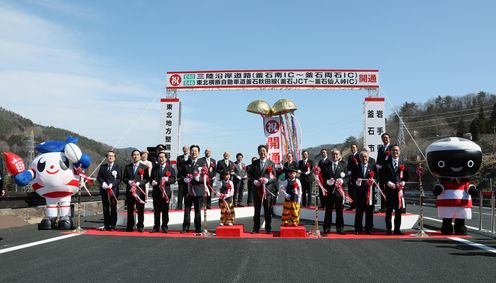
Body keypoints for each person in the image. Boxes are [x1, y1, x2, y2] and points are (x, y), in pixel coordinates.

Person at [250, 145, 277, 234]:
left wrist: (268, 180)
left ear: (266, 152)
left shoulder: (271, 163)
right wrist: (254, 181)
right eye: (261, 151)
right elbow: (251, 175)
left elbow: (274, 177)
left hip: (267, 190)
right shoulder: (254, 163)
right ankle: (255, 228)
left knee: (267, 210)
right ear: (258, 152)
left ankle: (268, 228)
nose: (262, 152)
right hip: (257, 189)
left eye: (264, 151)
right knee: (256, 210)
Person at [382, 145, 409, 235]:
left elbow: (406, 177)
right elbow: (382, 176)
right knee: (389, 210)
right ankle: (389, 229)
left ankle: (397, 229)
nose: (395, 152)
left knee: (398, 211)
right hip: (390, 190)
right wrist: (388, 182)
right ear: (391, 152)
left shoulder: (403, 163)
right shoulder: (386, 162)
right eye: (393, 150)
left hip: (399, 191)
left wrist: (403, 182)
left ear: (399, 152)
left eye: (397, 150)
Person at [123, 150, 150, 232]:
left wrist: (140, 182)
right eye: (134, 155)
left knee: (140, 210)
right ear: (132, 156)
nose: (136, 156)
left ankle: (140, 226)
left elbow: (147, 179)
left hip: (140, 191)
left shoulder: (144, 167)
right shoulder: (127, 167)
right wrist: (129, 182)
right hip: (130, 191)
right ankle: (130, 226)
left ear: (140, 156)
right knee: (130, 209)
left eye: (137, 155)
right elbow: (124, 178)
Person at [322, 149, 348, 235]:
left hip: (339, 192)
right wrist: (327, 182)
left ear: (340, 155)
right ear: (330, 156)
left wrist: (342, 180)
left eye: (337, 154)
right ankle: (326, 228)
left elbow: (347, 178)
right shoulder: (326, 165)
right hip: (329, 192)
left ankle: (340, 228)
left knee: (339, 211)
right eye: (333, 154)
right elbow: (322, 177)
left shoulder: (343, 165)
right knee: (328, 211)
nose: (335, 156)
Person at [352, 150, 377, 234]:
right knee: (359, 212)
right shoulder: (356, 167)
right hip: (359, 193)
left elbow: (377, 178)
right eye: (362, 157)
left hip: (369, 193)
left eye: (365, 156)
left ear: (368, 157)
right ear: (359, 158)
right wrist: (356, 182)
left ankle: (369, 228)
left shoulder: (373, 167)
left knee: (369, 212)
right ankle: (358, 229)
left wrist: (373, 181)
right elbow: (352, 179)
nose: (364, 158)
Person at [150, 151, 176, 233]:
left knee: (165, 211)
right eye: (159, 157)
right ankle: (156, 227)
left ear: (166, 158)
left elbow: (173, 179)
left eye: (162, 157)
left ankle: (165, 226)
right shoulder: (154, 168)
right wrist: (152, 182)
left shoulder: (170, 168)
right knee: (156, 211)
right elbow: (151, 178)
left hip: (166, 193)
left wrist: (167, 179)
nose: (161, 159)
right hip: (156, 192)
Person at [182, 145, 205, 234]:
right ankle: (185, 227)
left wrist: (199, 179)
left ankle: (198, 227)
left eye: (195, 151)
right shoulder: (185, 163)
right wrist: (185, 179)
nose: (193, 152)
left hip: (198, 190)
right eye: (192, 151)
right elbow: (181, 175)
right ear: (189, 152)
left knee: (198, 210)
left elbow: (207, 177)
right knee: (187, 210)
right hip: (188, 190)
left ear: (198, 153)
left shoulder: (202, 163)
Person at [97, 150, 121, 231]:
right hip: (104, 190)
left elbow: (119, 179)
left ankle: (113, 225)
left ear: (114, 158)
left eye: (112, 156)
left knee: (113, 208)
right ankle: (106, 225)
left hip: (113, 190)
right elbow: (99, 177)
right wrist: (103, 183)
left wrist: (112, 184)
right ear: (106, 157)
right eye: (109, 156)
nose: (110, 157)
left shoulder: (118, 167)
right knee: (105, 208)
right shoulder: (102, 167)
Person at [376, 133, 393, 212]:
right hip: (382, 173)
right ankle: (383, 207)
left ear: (389, 138)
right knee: (382, 190)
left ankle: (390, 207)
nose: (385, 139)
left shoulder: (392, 148)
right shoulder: (380, 149)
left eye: (386, 138)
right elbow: (378, 160)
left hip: (390, 173)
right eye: (383, 138)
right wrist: (378, 166)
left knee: (390, 191)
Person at [176, 145, 190, 210]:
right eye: (184, 149)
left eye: (187, 149)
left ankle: (187, 207)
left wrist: (188, 175)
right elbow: (179, 167)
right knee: (180, 193)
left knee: (188, 193)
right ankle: (179, 207)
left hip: (189, 178)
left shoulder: (190, 158)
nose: (185, 150)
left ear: (189, 150)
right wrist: (184, 176)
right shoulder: (179, 158)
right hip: (181, 177)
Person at [346, 144, 360, 210]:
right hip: (350, 177)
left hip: (357, 176)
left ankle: (356, 206)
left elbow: (359, 166)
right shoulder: (350, 157)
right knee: (350, 192)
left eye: (354, 147)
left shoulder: (359, 155)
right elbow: (348, 166)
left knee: (356, 192)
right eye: (351, 148)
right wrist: (348, 171)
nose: (352, 149)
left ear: (357, 148)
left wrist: (353, 171)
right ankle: (351, 206)